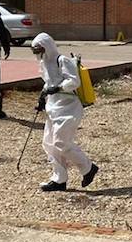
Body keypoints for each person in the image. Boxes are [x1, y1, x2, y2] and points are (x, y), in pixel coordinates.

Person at [31, 32, 98, 192]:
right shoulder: (45, 63)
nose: (38, 54)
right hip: (52, 107)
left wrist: (59, 87)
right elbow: (48, 83)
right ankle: (59, 179)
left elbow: (74, 81)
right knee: (49, 144)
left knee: (61, 143)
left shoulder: (62, 60)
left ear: (47, 47)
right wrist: (42, 97)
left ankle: (88, 168)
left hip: (68, 108)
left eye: (39, 50)